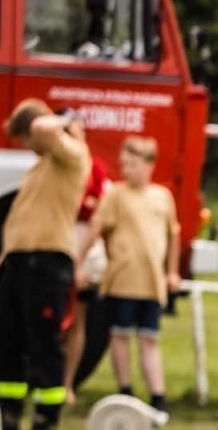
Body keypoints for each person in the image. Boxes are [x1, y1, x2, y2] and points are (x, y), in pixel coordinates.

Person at [0, 99, 91, 430]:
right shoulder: (41, 167)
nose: (27, 146)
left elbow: (43, 129)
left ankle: (45, 425)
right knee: (8, 340)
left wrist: (62, 124)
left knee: (43, 343)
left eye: (25, 138)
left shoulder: (72, 156)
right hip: (21, 261)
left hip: (47, 262)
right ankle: (8, 416)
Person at [76, 135, 179, 413]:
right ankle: (125, 390)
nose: (127, 170)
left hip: (151, 282)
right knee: (120, 335)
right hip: (122, 279)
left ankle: (158, 395)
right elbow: (96, 228)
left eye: (133, 164)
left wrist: (171, 271)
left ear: (149, 165)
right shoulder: (116, 195)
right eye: (124, 165)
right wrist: (79, 262)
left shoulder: (162, 197)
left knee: (150, 338)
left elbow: (173, 235)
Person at [62, 114, 110, 404]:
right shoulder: (54, 166)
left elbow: (98, 208)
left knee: (78, 317)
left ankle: (67, 383)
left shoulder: (95, 167)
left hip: (83, 241)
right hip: (59, 235)